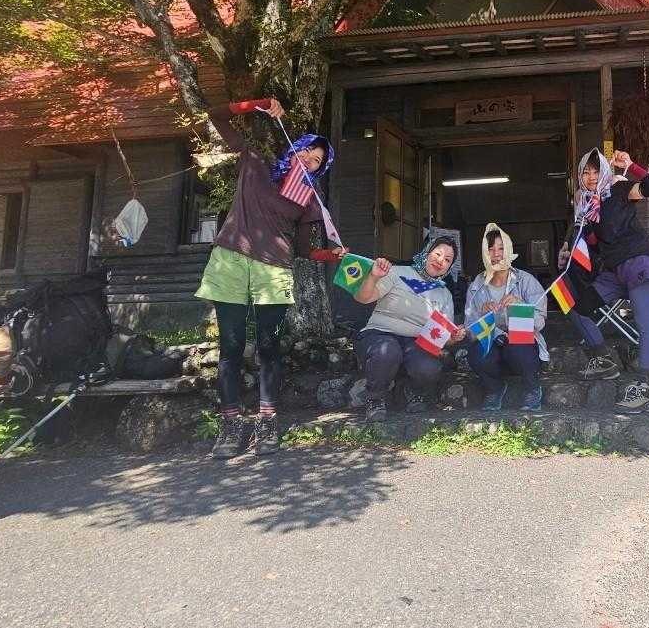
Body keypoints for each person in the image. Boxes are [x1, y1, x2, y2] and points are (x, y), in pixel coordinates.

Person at [195, 97, 346, 458]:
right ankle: (231, 423)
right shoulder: (254, 163)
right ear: (293, 150)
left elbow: (305, 251)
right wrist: (256, 105)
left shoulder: (308, 200)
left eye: (317, 161)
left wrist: (333, 255)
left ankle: (267, 420)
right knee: (231, 346)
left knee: (268, 346)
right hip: (229, 261)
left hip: (274, 270)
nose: (310, 160)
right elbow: (215, 115)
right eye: (307, 152)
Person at [559, 148, 649, 414]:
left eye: (596, 171)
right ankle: (603, 359)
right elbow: (592, 247)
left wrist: (631, 165)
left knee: (645, 323)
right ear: (580, 176)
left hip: (638, 262)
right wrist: (569, 252)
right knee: (575, 306)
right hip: (614, 272)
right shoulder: (587, 208)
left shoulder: (618, 189)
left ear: (604, 171)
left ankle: (644, 387)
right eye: (586, 172)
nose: (592, 177)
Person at [354, 235, 466, 421]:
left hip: (416, 343)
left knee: (429, 367)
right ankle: (375, 399)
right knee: (388, 351)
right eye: (437, 254)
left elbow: (442, 337)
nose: (441, 261)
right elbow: (363, 298)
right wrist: (373, 276)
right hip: (379, 333)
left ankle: (412, 391)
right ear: (426, 252)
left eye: (447, 260)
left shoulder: (444, 293)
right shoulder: (397, 272)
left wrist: (453, 338)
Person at [463, 224, 549, 411]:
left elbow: (540, 321)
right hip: (493, 347)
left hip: (523, 352)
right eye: (491, 249)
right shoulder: (477, 285)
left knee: (518, 342)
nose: (496, 254)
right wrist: (481, 314)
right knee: (476, 352)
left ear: (509, 250)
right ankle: (494, 389)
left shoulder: (525, 280)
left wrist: (520, 306)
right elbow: (469, 330)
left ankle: (532, 388)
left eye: (501, 248)